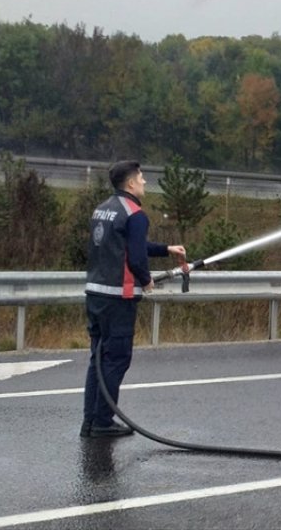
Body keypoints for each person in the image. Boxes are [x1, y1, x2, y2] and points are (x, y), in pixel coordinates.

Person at [81, 161, 185, 438]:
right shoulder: (136, 214)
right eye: (141, 178)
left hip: (95, 294)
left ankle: (90, 421)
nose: (144, 182)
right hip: (119, 297)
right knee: (116, 359)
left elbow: (127, 245)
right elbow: (136, 257)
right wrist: (146, 279)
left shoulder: (103, 209)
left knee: (98, 359)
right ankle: (103, 421)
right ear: (130, 184)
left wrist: (165, 248)